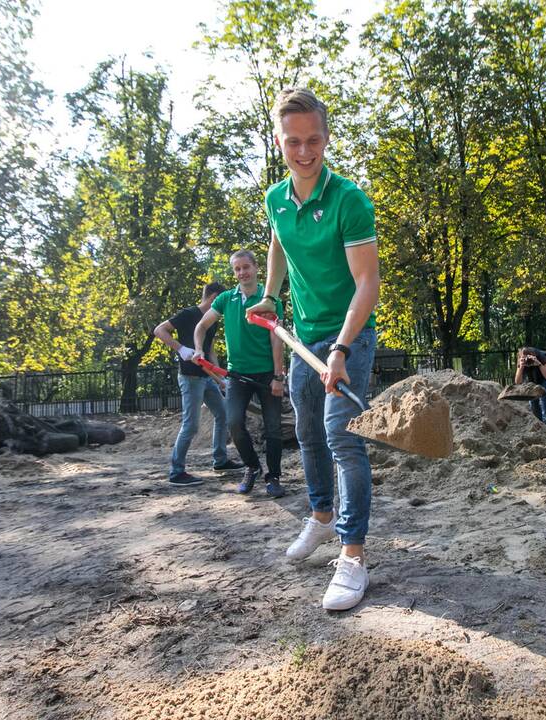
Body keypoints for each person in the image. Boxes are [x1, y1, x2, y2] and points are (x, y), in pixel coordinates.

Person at [245, 88, 379, 611]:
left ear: (326, 138)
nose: (304, 151)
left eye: (314, 141)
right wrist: (271, 295)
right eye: (293, 142)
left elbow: (367, 283)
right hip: (302, 336)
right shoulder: (276, 198)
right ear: (280, 142)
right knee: (305, 432)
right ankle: (322, 517)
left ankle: (352, 555)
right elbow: (279, 239)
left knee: (341, 438)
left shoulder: (349, 199)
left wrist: (343, 348)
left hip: (349, 333)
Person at [193, 250, 287, 498]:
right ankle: (253, 467)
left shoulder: (269, 300)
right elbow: (201, 326)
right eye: (237, 269)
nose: (242, 272)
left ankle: (274, 477)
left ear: (256, 268)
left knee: (273, 428)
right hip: (237, 375)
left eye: (246, 267)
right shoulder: (225, 299)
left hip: (267, 374)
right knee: (233, 422)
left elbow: (277, 339)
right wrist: (199, 348)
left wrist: (278, 376)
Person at [152, 282, 243, 486]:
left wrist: (221, 379)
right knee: (191, 425)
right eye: (220, 302)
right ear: (212, 298)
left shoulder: (211, 322)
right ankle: (176, 472)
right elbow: (159, 330)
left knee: (223, 414)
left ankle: (220, 461)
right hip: (190, 378)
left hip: (206, 377)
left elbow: (209, 351)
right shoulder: (188, 314)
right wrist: (181, 349)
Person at [514, 347, 546, 427]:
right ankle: (538, 423)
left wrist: (539, 363)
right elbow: (517, 382)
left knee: (543, 393)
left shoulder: (541, 356)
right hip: (536, 376)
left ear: (533, 355)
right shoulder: (521, 359)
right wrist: (521, 368)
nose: (527, 360)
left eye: (528, 358)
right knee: (532, 396)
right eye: (524, 358)